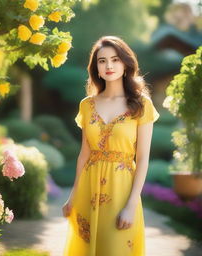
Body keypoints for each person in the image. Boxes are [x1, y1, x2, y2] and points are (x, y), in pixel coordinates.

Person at [62, 35, 160, 256]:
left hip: (121, 191)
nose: (108, 65)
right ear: (95, 67)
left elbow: (143, 158)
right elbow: (83, 154)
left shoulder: (142, 104)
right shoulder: (87, 105)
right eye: (102, 60)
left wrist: (131, 205)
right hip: (88, 188)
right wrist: (73, 196)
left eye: (115, 59)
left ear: (125, 64)